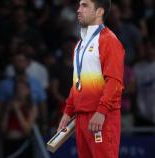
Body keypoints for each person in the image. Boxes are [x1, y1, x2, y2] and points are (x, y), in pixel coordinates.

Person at [57, 0, 124, 158]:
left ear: (99, 12)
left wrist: (101, 111)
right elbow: (78, 83)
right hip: (81, 118)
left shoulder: (109, 41)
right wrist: (67, 112)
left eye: (84, 5)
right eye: (79, 5)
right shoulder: (79, 45)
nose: (78, 10)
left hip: (102, 117)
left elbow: (115, 81)